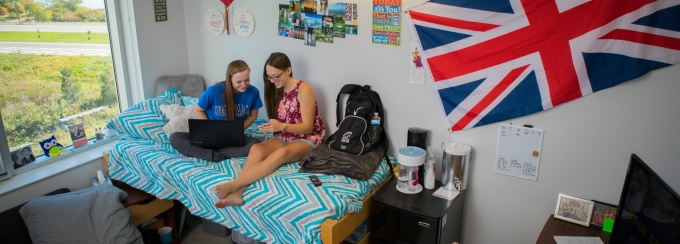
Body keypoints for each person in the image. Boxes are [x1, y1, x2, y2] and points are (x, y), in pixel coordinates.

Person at [213, 52, 326, 208]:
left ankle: (234, 184)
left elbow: (308, 127)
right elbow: (280, 121)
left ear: (288, 70)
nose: (272, 81)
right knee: (257, 148)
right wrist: (272, 126)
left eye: (276, 76)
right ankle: (237, 193)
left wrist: (282, 126)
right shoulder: (276, 89)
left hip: (307, 137)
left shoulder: (304, 89)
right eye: (269, 77)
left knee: (280, 154)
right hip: (284, 135)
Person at [170, 60, 263, 162]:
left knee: (255, 143)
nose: (244, 85)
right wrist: (209, 130)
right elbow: (198, 110)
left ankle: (214, 154)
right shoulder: (214, 90)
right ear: (230, 79)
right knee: (175, 138)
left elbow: (253, 116)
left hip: (232, 139)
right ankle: (214, 155)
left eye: (247, 80)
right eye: (239, 82)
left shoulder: (253, 92)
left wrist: (238, 130)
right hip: (210, 137)